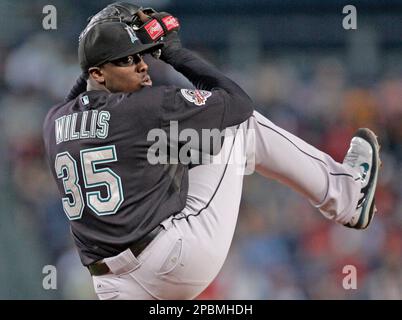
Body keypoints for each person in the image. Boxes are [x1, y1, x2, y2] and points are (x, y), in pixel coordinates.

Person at [42, 3, 381, 300]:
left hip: (112, 287)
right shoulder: (144, 107)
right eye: (128, 60)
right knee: (234, 127)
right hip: (172, 264)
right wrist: (175, 53)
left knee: (175, 147)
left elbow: (84, 87)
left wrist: (101, 40)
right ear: (99, 72)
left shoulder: (53, 121)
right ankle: (347, 195)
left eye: (141, 56)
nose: (143, 65)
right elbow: (238, 105)